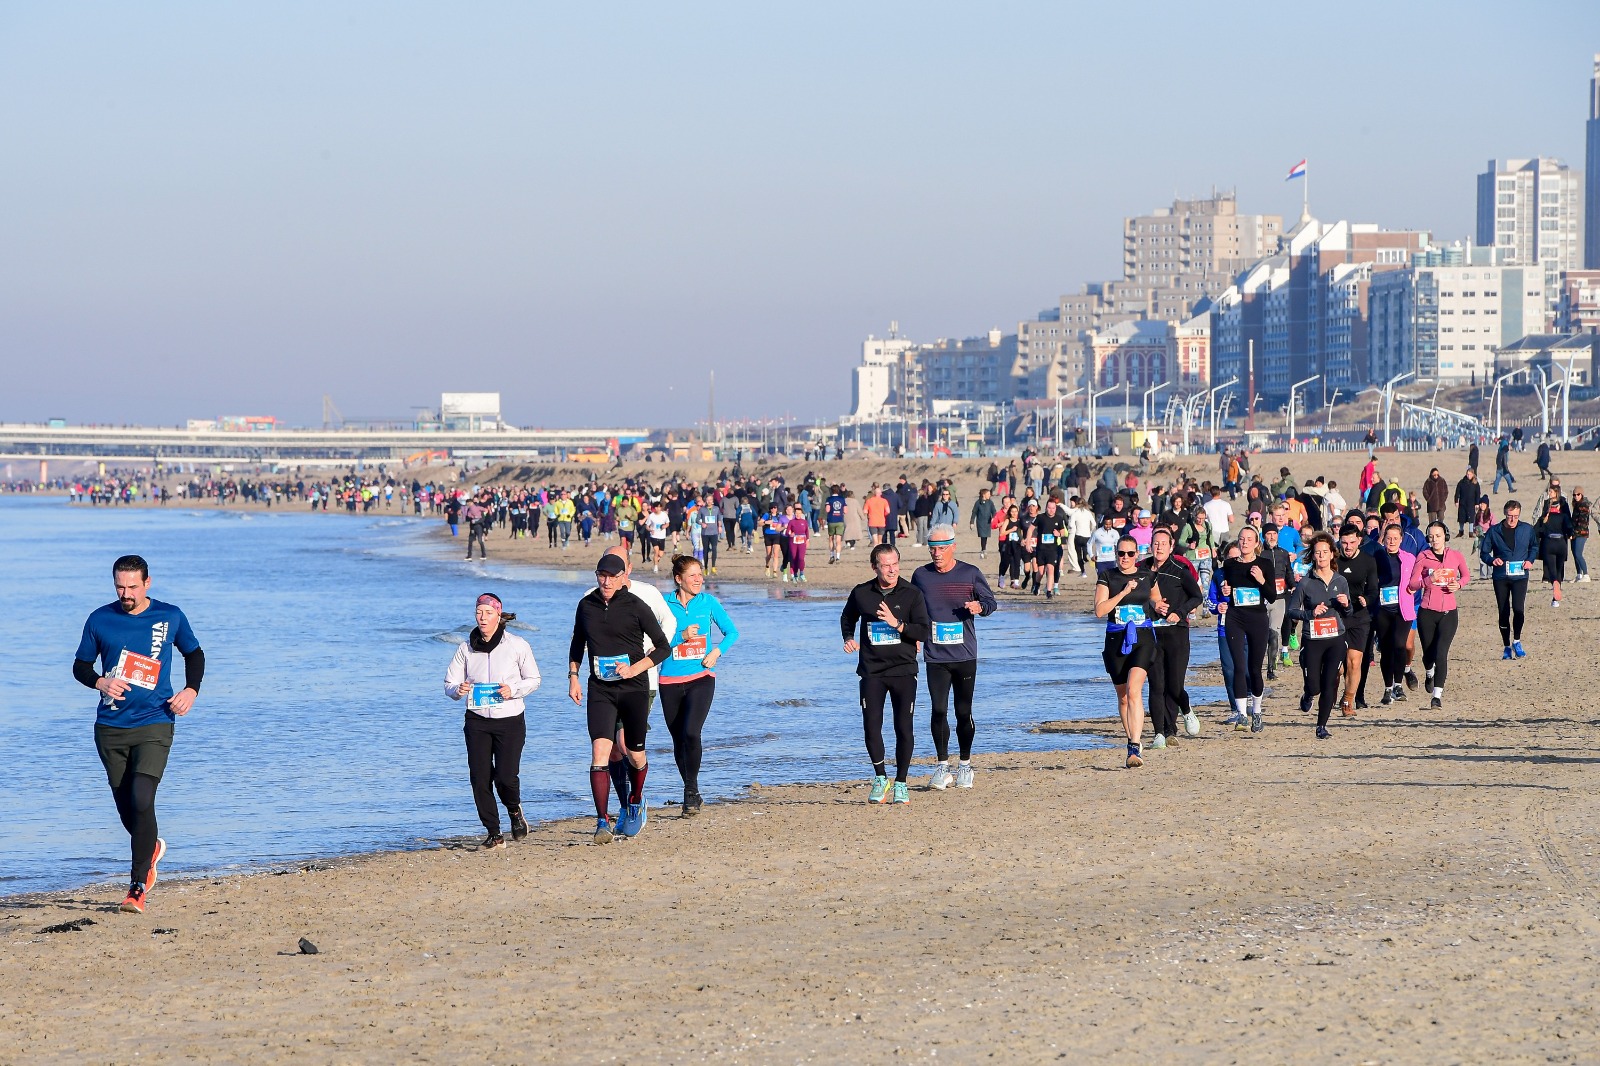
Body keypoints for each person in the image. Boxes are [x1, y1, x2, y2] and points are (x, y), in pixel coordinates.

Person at [73, 555, 204, 915]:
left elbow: (195, 654)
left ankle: (136, 887)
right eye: (119, 586)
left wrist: (191, 690)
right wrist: (100, 680)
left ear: (148, 583)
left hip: (155, 722)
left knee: (142, 798)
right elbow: (80, 665)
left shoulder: (170, 616)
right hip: (110, 729)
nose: (125, 593)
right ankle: (152, 849)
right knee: (127, 807)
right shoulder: (100, 619)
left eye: (132, 586)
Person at [568, 553, 672, 843]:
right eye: (601, 575)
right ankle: (602, 821)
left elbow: (663, 647)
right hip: (600, 688)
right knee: (599, 754)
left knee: (635, 755)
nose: (606, 581)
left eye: (612, 576)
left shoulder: (636, 605)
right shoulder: (586, 605)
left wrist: (635, 668)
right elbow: (578, 642)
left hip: (633, 689)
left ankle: (635, 799)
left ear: (623, 577)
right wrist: (573, 677)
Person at [443, 593, 542, 849]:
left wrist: (513, 689)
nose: (483, 617)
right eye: (479, 613)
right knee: (479, 778)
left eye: (488, 613)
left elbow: (534, 679)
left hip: (509, 720)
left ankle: (514, 810)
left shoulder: (517, 645)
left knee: (505, 778)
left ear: (499, 615)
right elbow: (449, 684)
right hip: (476, 721)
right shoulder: (466, 647)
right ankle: (494, 834)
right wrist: (459, 690)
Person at [840, 544, 931, 804]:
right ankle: (881, 777)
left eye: (895, 564)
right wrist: (848, 637)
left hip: (903, 670)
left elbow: (923, 632)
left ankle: (901, 782)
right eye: (886, 565)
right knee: (871, 726)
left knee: (903, 727)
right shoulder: (862, 593)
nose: (891, 570)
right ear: (875, 567)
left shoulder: (912, 593)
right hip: (872, 671)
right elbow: (847, 617)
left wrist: (897, 624)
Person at [912, 525, 997, 790]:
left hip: (964, 655)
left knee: (963, 712)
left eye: (941, 548)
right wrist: (914, 635)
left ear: (953, 547)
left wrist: (979, 606)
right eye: (932, 548)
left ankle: (965, 766)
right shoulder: (921, 576)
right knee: (938, 710)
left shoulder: (970, 573)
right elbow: (914, 608)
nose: (936, 553)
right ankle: (941, 766)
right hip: (935, 655)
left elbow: (991, 602)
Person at [659, 556, 739, 816]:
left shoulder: (709, 603)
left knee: (692, 733)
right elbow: (653, 643)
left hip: (701, 677)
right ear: (678, 579)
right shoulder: (664, 604)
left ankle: (690, 791)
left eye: (700, 574)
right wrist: (681, 636)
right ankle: (691, 789)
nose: (699, 579)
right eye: (692, 575)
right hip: (669, 679)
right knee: (678, 740)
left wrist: (717, 652)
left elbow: (732, 632)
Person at [1094, 535, 1158, 767]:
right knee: (1122, 697)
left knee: (1133, 691)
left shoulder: (1147, 576)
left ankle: (1134, 745)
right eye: (1121, 553)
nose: (1125, 558)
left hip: (1142, 639)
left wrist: (1159, 606)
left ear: (1137, 555)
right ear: (1116, 554)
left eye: (1130, 554)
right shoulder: (1107, 577)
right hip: (1116, 640)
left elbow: (1155, 599)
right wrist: (1121, 593)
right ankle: (1131, 739)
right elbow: (1100, 611)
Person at [1285, 532, 1352, 739]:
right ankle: (1307, 694)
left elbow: (1348, 613)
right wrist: (1310, 613)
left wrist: (1346, 604)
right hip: (1312, 639)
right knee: (1314, 685)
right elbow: (1292, 611)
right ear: (1313, 556)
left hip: (1335, 638)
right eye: (1317, 553)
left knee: (1329, 681)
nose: (1321, 556)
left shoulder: (1341, 581)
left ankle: (1321, 726)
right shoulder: (1305, 582)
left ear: (1332, 554)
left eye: (1325, 552)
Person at [1144, 528, 1204, 748]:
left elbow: (1197, 596)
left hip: (1176, 631)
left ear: (1171, 547)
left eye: (1163, 543)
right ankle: (1162, 732)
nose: (1159, 547)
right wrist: (1151, 604)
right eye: (1155, 543)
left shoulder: (1180, 569)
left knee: (1174, 685)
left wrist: (1179, 612)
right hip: (1150, 633)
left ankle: (1186, 709)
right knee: (1156, 684)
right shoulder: (1142, 569)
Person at [1220, 526, 1276, 732]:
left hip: (1257, 618)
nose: (1244, 542)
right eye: (1241, 539)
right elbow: (1226, 588)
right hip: (1235, 617)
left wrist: (1261, 579)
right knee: (1238, 666)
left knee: (1254, 668)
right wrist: (1225, 590)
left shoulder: (1264, 564)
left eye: (1249, 539)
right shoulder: (1229, 564)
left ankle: (1257, 711)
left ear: (1256, 542)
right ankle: (1242, 714)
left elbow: (1271, 596)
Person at [1408, 522, 1469, 709]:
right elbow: (1412, 584)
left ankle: (1437, 696)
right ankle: (1428, 672)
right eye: (1431, 536)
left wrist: (1458, 584)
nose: (1435, 539)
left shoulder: (1456, 556)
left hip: (1449, 612)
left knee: (1441, 653)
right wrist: (1429, 580)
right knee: (1429, 654)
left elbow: (1466, 576)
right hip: (1427, 612)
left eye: (1438, 535)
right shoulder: (1423, 557)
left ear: (1445, 536)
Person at [1480, 499, 1537, 659]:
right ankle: (1506, 646)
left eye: (1516, 516)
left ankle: (1517, 641)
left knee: (1518, 609)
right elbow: (1484, 552)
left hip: (1520, 576)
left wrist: (1530, 560)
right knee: (1503, 611)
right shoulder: (1493, 531)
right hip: (1501, 577)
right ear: (1505, 514)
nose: (1512, 519)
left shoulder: (1527, 529)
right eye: (1510, 516)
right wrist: (1492, 560)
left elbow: (1534, 546)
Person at [1335, 523, 1378, 715]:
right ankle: (1330, 695)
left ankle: (1348, 700)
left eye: (1352, 542)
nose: (1348, 546)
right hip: (1337, 616)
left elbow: (1374, 590)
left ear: (1359, 541)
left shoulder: (1368, 561)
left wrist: (1366, 599)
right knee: (1337, 667)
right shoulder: (1333, 560)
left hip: (1360, 616)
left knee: (1354, 661)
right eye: (1344, 542)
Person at [1372, 523, 1417, 707]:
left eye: (1395, 538)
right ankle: (1388, 688)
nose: (1391, 541)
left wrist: (1415, 588)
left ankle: (1398, 685)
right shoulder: (1376, 556)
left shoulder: (1409, 558)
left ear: (1401, 539)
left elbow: (1416, 579)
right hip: (1382, 609)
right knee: (1387, 649)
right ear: (1384, 538)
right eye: (1388, 538)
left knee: (1400, 645)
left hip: (1403, 608)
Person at [1534, 484, 1572, 608]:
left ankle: (1554, 582)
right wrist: (1570, 534)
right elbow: (1569, 527)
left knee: (1551, 569)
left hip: (1548, 543)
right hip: (1561, 542)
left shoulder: (1545, 516)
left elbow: (1537, 530)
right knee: (1560, 568)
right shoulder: (1564, 515)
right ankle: (1556, 598)